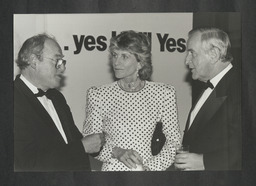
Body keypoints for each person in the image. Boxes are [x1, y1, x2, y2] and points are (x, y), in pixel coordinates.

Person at [83, 30, 181, 171]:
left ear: (140, 62)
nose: (116, 62)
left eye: (124, 56)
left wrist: (149, 168)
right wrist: (116, 151)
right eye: (115, 55)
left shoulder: (164, 93)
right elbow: (91, 143)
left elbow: (174, 142)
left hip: (149, 172)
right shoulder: (98, 95)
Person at [14, 33, 105, 171]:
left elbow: (75, 142)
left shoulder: (57, 97)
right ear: (33, 61)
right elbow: (24, 164)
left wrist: (100, 141)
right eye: (57, 61)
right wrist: (82, 147)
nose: (62, 68)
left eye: (63, 62)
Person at [174, 27, 241, 170]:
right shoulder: (209, 85)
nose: (187, 61)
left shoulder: (242, 89)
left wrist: (205, 162)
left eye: (192, 53)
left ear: (214, 54)